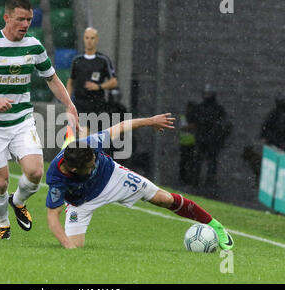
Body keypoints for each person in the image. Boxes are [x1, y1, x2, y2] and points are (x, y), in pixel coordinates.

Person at [0, 0, 78, 240]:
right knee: (0, 182)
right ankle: (2, 224)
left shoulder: (34, 46)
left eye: (29, 19)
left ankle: (18, 202)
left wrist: (69, 104)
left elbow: (51, 78)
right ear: (7, 17)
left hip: (21, 120)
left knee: (35, 172)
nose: (25, 24)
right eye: (20, 19)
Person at [45, 113, 234, 250]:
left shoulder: (92, 144)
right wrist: (68, 246)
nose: (94, 162)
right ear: (75, 169)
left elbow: (122, 126)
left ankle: (215, 226)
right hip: (81, 202)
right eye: (91, 164)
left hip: (112, 177)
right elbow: (53, 217)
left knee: (164, 199)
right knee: (75, 245)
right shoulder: (56, 178)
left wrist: (151, 121)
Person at [66, 27, 117, 132]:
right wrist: (69, 104)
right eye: (87, 38)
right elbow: (70, 82)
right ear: (83, 39)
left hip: (97, 105)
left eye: (92, 38)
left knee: (95, 139)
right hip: (80, 105)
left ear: (97, 40)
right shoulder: (77, 60)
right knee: (83, 136)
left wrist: (99, 86)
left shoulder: (103, 60)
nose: (89, 41)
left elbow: (114, 82)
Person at [190, 84, 231, 190]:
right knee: (200, 161)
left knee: (210, 162)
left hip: (212, 140)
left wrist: (219, 136)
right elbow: (193, 120)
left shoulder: (217, 109)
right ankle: (198, 182)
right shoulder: (201, 108)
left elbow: (225, 125)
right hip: (205, 139)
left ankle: (208, 183)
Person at [178, 101, 198, 187]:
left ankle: (190, 180)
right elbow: (184, 127)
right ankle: (183, 179)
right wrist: (192, 127)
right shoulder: (185, 117)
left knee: (191, 163)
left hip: (192, 144)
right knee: (184, 162)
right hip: (184, 144)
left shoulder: (194, 117)